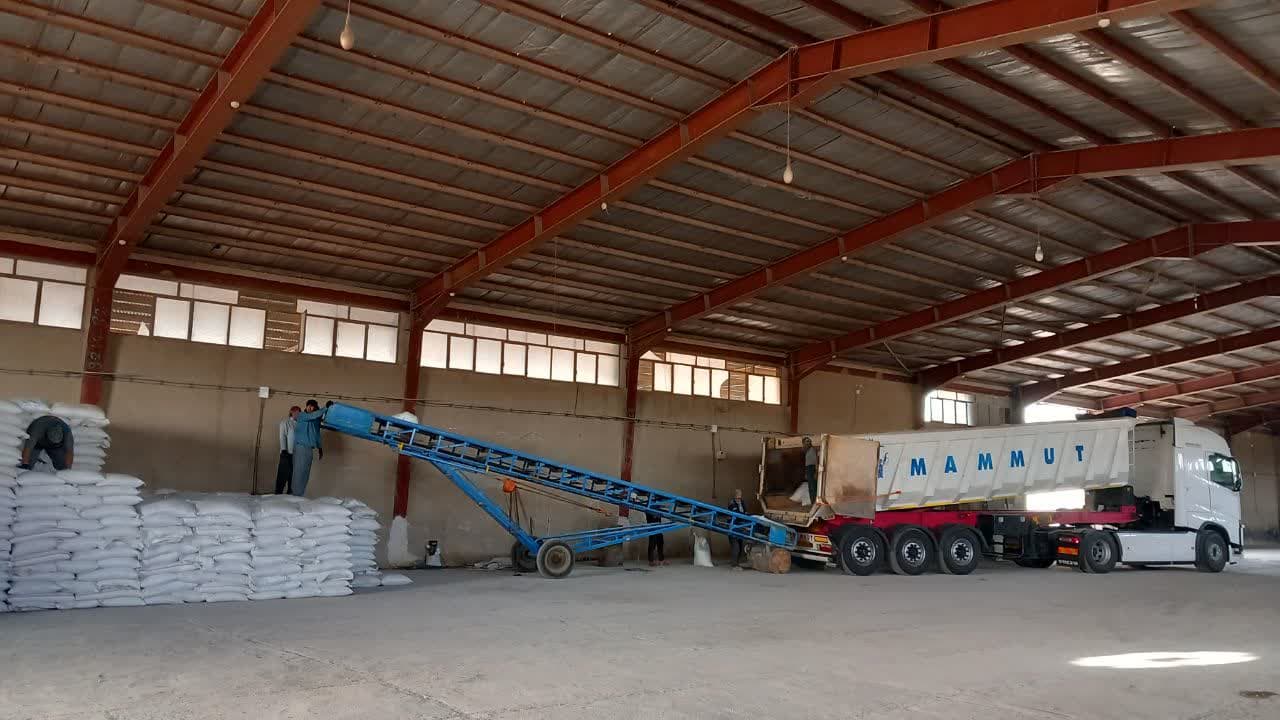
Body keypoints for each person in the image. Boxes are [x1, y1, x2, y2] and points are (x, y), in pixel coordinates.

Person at [291, 399, 327, 497]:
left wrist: (320, 448)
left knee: (305, 473)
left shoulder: (315, 420)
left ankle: (300, 495)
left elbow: (317, 434)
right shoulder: (302, 415)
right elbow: (313, 416)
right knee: (298, 472)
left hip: (309, 449)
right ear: (306, 406)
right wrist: (326, 408)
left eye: (312, 406)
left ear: (315, 408)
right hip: (300, 447)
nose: (310, 408)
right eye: (308, 406)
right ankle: (295, 495)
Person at [275, 406, 300, 495]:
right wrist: (284, 449)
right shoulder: (285, 422)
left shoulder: (300, 424)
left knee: (293, 477)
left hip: (297, 454)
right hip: (286, 453)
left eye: (299, 412)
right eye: (296, 412)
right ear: (291, 412)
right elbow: (282, 436)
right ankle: (278, 494)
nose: (298, 414)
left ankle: (290, 494)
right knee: (282, 475)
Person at [727, 489, 746, 568]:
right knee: (735, 546)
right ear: (735, 495)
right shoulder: (732, 503)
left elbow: (744, 511)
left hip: (740, 526)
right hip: (733, 526)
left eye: (740, 496)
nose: (739, 498)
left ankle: (737, 562)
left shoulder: (742, 502)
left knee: (740, 546)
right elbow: (735, 513)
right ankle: (734, 564)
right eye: (738, 496)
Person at [803, 436, 819, 507]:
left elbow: (816, 462)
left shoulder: (812, 450)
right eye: (806, 442)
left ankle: (815, 503)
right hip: (808, 469)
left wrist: (816, 472)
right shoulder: (807, 451)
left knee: (813, 487)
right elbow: (807, 463)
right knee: (810, 487)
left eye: (808, 441)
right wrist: (806, 473)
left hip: (812, 469)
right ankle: (813, 503)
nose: (807, 443)